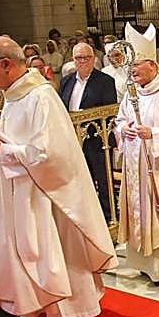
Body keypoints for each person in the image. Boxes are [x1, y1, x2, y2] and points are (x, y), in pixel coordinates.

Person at [0, 36, 117, 317]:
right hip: (18, 188)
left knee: (48, 250)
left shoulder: (41, 97)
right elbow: (12, 142)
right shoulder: (14, 96)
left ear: (5, 64)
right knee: (14, 250)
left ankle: (70, 311)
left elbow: (51, 155)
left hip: (44, 194)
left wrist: (2, 153)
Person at [115, 23, 159, 284]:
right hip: (135, 165)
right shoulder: (131, 92)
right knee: (137, 209)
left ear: (153, 66)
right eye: (130, 67)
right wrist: (125, 130)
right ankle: (141, 262)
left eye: (136, 66)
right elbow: (119, 119)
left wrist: (154, 134)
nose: (132, 71)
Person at [59, 42, 119, 223]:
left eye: (87, 57)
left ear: (94, 59)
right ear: (73, 60)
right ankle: (87, 219)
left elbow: (109, 112)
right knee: (80, 181)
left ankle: (108, 218)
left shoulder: (105, 81)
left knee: (103, 180)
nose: (83, 61)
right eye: (79, 58)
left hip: (97, 140)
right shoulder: (66, 81)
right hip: (73, 141)